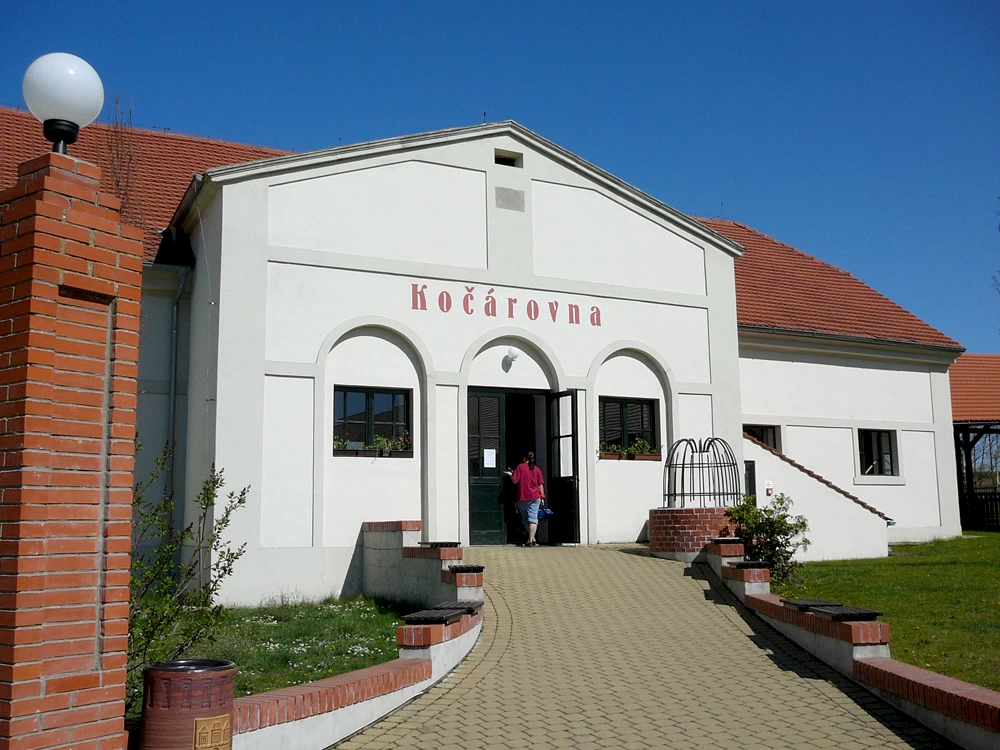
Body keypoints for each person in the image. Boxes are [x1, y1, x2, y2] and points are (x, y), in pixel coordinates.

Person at [504, 452, 545, 547]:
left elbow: (515, 480)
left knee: (525, 518)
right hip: (536, 496)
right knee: (533, 518)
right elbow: (540, 484)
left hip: (523, 497)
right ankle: (532, 539)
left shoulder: (520, 467)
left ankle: (530, 540)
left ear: (524, 458)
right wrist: (542, 497)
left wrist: (510, 474)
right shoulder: (537, 469)